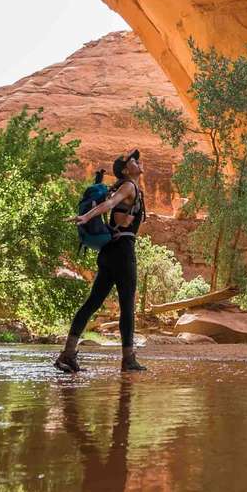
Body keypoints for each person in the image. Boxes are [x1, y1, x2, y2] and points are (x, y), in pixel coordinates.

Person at [57, 148, 148, 373]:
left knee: (91, 303)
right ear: (127, 170)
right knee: (127, 306)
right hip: (123, 253)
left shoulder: (124, 187)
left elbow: (116, 211)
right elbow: (110, 204)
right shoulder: (128, 186)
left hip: (108, 253)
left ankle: (67, 354)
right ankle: (128, 360)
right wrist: (86, 216)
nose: (138, 162)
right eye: (133, 161)